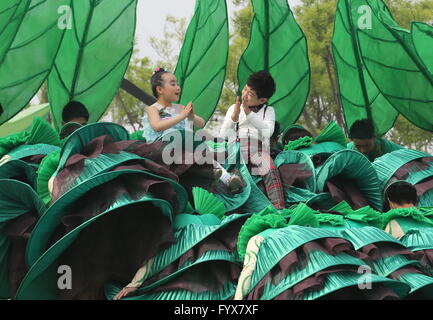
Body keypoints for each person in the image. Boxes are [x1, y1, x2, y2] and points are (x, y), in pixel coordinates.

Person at [144, 68, 242, 191]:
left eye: (177, 84)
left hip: (184, 145)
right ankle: (210, 173)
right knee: (191, 154)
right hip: (163, 149)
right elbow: (157, 126)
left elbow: (200, 123)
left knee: (202, 152)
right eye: (173, 84)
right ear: (159, 89)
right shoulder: (153, 109)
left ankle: (227, 179)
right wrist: (182, 116)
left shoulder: (180, 108)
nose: (178, 87)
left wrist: (190, 116)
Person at [220, 70, 285, 209]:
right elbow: (223, 135)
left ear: (262, 100)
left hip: (257, 148)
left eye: (250, 94)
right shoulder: (233, 108)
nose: (244, 95)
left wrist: (249, 113)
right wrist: (234, 117)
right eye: (244, 89)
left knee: (270, 169)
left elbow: (268, 132)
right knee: (234, 171)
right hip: (236, 147)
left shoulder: (269, 111)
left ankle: (279, 208)